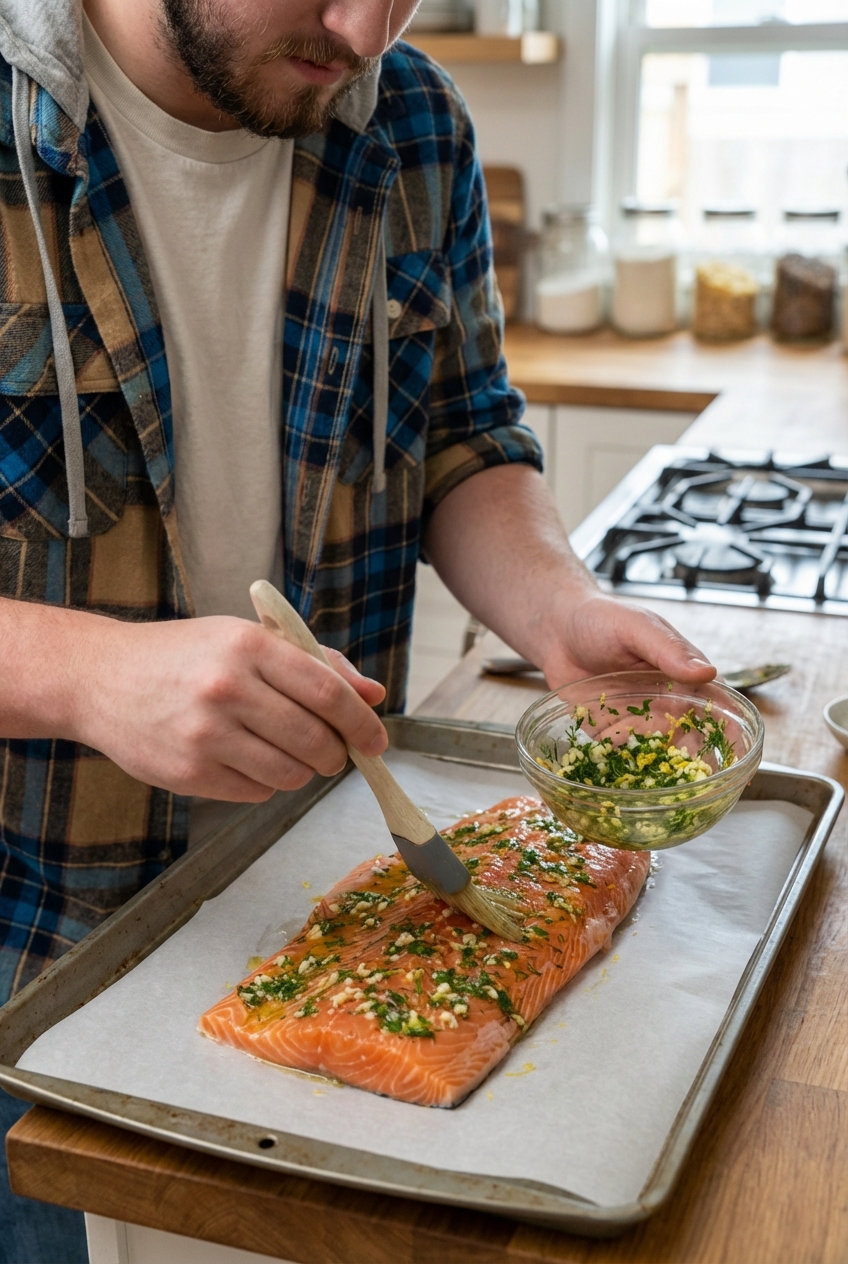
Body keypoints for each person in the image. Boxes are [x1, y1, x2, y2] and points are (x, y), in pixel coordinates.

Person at [0, 0, 715, 1257]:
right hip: (33, 955)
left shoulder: (411, 120)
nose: (364, 27)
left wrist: (555, 603)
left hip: (331, 881)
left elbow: (464, 435)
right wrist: (83, 675)